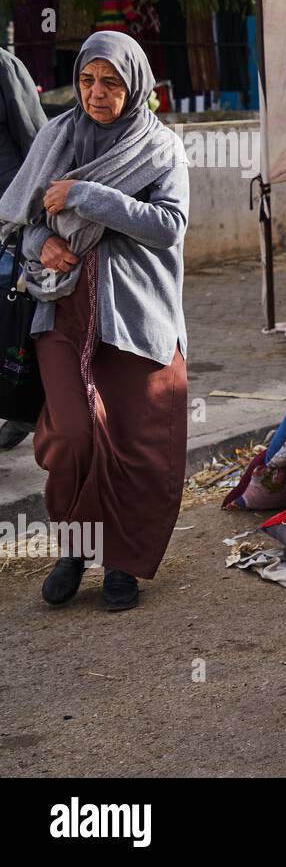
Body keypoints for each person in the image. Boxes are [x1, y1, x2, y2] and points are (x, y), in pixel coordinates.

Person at [0, 32, 189, 612]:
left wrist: (87, 195)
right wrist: (42, 245)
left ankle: (121, 562)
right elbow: (18, 220)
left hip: (134, 314)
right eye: (87, 80)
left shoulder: (159, 148)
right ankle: (74, 551)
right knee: (73, 436)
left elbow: (168, 226)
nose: (97, 93)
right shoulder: (57, 137)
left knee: (134, 443)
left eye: (111, 82)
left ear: (134, 86)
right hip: (61, 309)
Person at [0, 47, 48, 450]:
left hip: (11, 217)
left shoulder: (4, 65)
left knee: (15, 310)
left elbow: (36, 140)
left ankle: (23, 406)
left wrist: (33, 212)